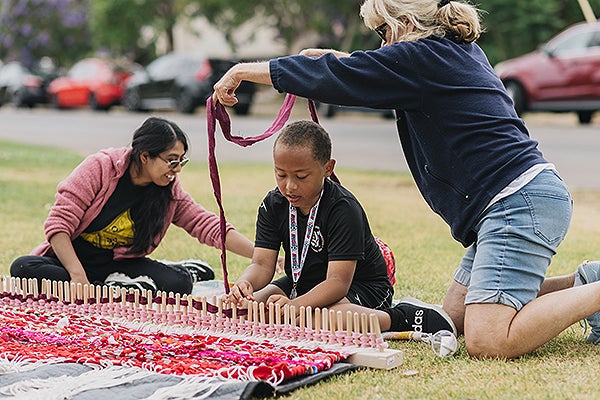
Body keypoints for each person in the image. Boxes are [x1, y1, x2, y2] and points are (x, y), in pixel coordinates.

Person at [212, 0, 600, 359]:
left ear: (407, 25)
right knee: (458, 315)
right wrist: (336, 60)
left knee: (489, 339)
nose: (380, 44)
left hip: (518, 202)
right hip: (516, 200)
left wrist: (244, 70)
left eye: (382, 33)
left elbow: (349, 76)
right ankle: (584, 281)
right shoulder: (447, 52)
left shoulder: (421, 58)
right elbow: (372, 73)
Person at [225, 120, 456, 335]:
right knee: (253, 309)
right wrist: (247, 283)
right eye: (281, 175)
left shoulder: (343, 208)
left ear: (327, 168)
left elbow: (337, 283)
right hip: (303, 282)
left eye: (301, 176)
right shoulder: (273, 204)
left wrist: (295, 306)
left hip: (360, 286)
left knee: (322, 320)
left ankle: (401, 316)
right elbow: (262, 264)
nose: (290, 186)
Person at [10, 116, 254, 295]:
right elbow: (58, 226)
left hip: (120, 264)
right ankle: (117, 288)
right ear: (145, 156)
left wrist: (260, 254)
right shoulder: (100, 168)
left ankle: (120, 286)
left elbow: (207, 225)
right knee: (23, 267)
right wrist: (76, 274)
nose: (177, 169)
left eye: (181, 161)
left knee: (178, 285)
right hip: (73, 260)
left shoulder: (168, 189)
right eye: (171, 161)